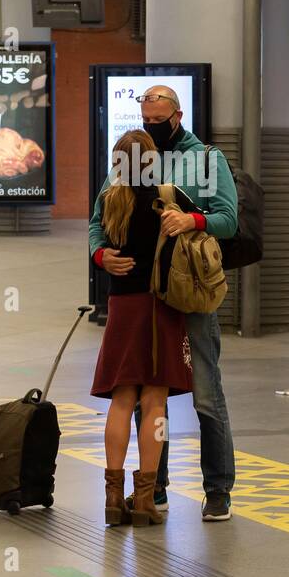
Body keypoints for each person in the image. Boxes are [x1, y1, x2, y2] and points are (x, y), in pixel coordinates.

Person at [89, 85, 240, 522]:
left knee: (206, 397)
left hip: (190, 294)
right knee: (148, 395)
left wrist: (192, 218)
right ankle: (153, 489)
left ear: (178, 115)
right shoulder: (133, 157)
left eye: (159, 120)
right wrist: (101, 255)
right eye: (146, 120)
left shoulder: (208, 160)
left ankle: (217, 489)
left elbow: (229, 220)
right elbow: (99, 220)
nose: (151, 127)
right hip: (145, 298)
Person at [92, 130, 197, 527]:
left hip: (121, 307)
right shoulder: (166, 200)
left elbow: (97, 240)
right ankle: (146, 500)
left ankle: (113, 499)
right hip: (160, 307)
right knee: (154, 403)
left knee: (121, 401)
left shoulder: (110, 200)